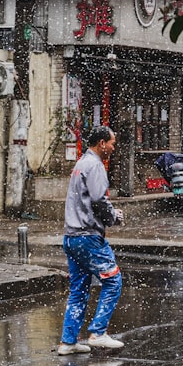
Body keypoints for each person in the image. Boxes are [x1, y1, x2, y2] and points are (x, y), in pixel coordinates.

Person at [57, 125, 125, 354]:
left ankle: (68, 342)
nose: (114, 148)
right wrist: (113, 217)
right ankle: (98, 333)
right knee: (113, 280)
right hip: (88, 237)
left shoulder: (80, 164)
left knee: (79, 289)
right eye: (112, 143)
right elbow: (99, 200)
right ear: (102, 143)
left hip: (71, 237)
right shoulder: (95, 166)